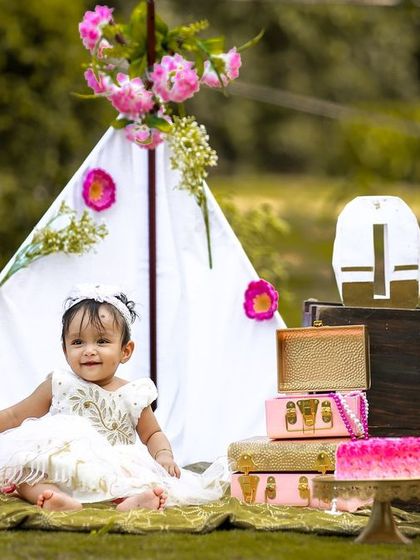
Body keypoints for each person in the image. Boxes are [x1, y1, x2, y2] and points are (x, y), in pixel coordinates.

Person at [0, 284, 228, 512]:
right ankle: (54, 497)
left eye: (102, 341)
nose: (89, 350)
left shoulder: (133, 394)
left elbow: (153, 434)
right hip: (62, 466)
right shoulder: (59, 384)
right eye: (78, 342)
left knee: (140, 480)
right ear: (65, 350)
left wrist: (164, 455)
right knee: (23, 471)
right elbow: (15, 415)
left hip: (112, 468)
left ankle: (134, 501)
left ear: (125, 351)